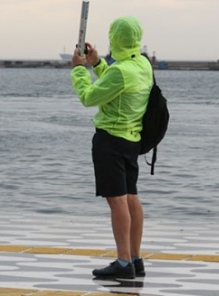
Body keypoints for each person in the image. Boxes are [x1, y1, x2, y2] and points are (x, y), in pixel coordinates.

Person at [70, 16, 152, 279]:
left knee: (116, 202)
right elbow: (117, 84)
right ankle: (136, 259)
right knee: (131, 198)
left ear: (115, 38)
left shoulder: (121, 71)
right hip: (132, 140)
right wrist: (97, 63)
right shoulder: (142, 65)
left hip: (110, 141)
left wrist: (79, 70)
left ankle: (123, 263)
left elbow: (89, 97)